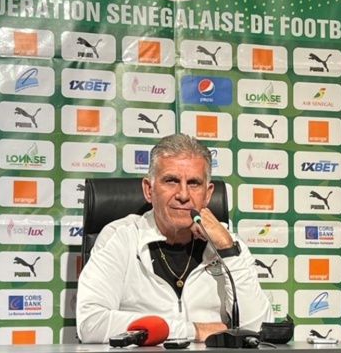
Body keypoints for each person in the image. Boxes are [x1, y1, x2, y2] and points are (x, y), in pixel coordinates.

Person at [76, 133, 273, 343]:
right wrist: (194, 331)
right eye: (171, 181)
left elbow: (258, 329)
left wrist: (228, 250)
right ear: (149, 190)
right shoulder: (121, 237)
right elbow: (91, 324)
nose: (183, 195)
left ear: (207, 194)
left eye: (194, 183)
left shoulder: (228, 243)